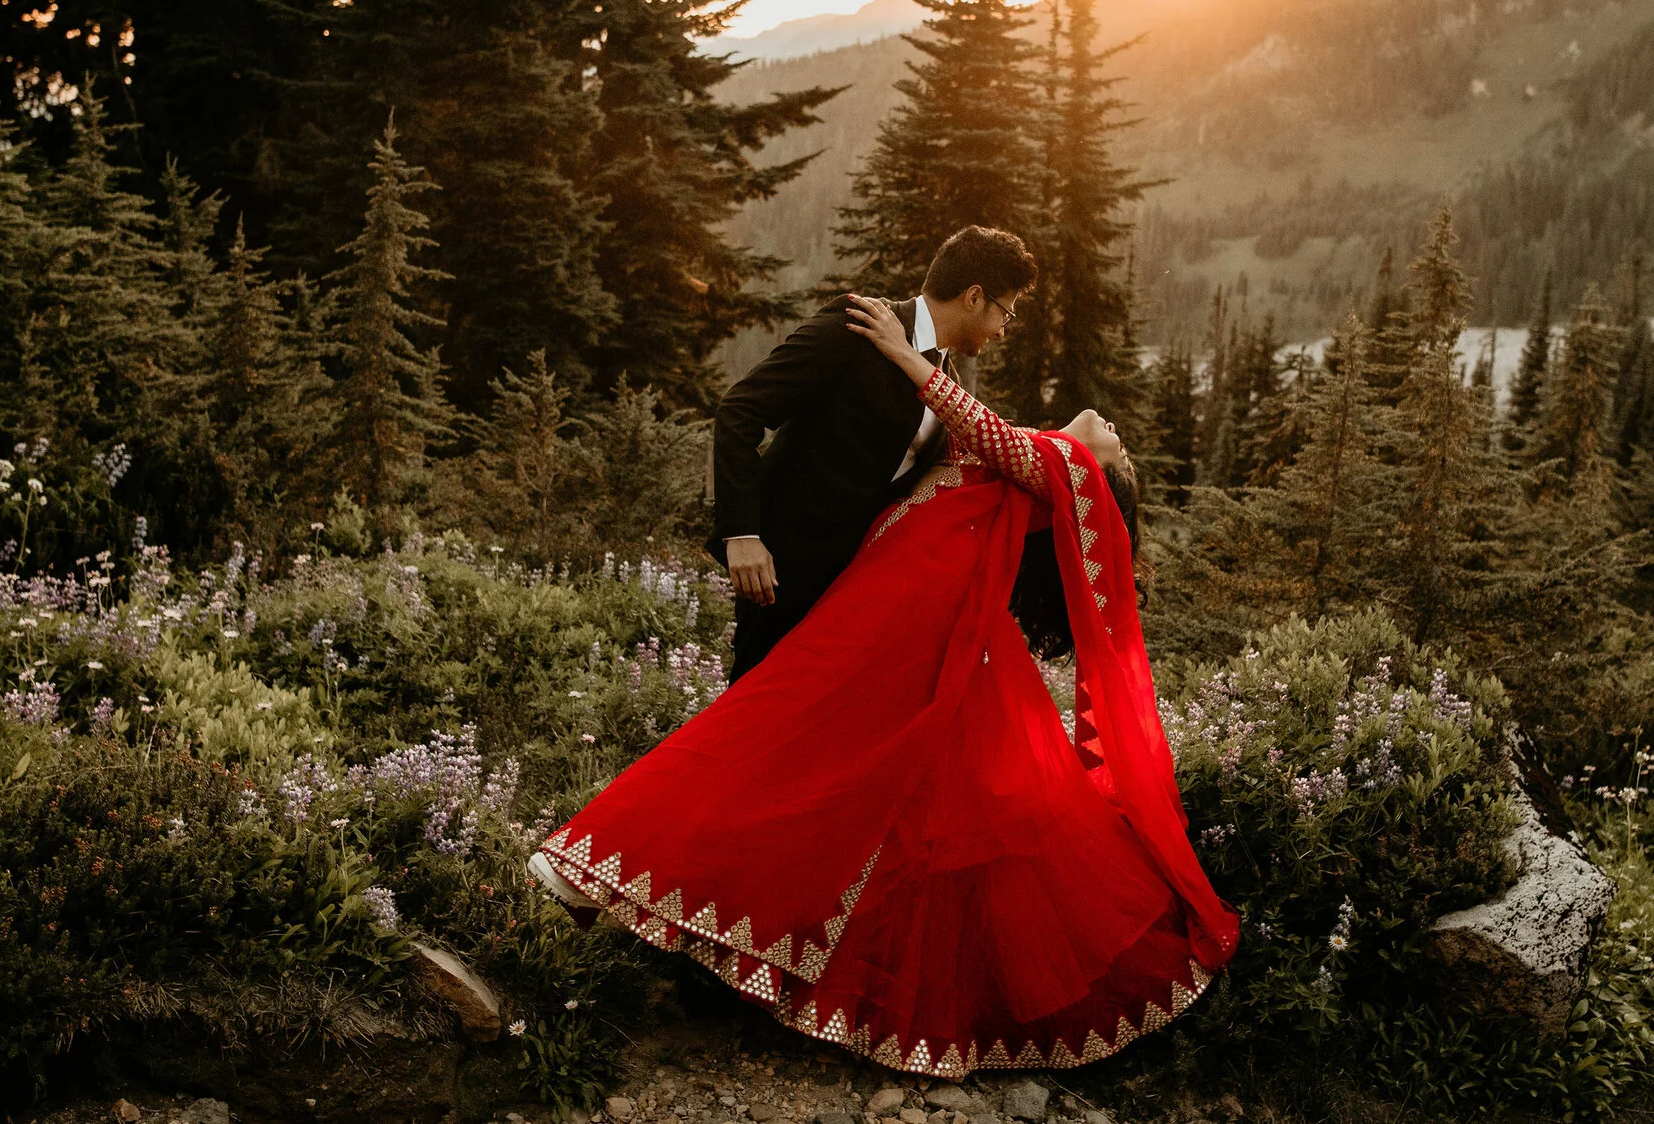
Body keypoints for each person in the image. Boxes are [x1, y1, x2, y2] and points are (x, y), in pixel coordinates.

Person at [529, 294, 1239, 1080]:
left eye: (1119, 439)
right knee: (799, 737)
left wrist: (905, 354)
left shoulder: (1058, 465)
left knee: (780, 724)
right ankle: (659, 888)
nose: (1108, 419)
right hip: (890, 590)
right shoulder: (1033, 448)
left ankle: (612, 869)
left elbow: (980, 427)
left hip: (912, 607)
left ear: (1099, 466)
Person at [710, 226, 1038, 679]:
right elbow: (740, 410)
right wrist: (742, 534)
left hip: (853, 591)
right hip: (781, 572)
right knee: (748, 715)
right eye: (1007, 313)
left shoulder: (945, 384)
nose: (1004, 331)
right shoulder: (857, 324)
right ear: (974, 297)